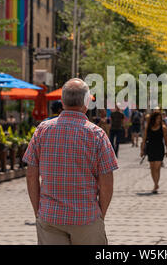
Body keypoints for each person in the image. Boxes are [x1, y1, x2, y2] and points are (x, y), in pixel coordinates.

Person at [23, 78, 118, 245]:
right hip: (86, 217)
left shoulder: (43, 130)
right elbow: (106, 182)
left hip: (50, 216)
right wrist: (100, 214)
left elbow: (31, 176)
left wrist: (38, 211)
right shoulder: (97, 134)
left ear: (62, 101)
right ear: (86, 101)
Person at [140, 111, 167, 194]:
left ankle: (156, 184)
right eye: (157, 118)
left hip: (159, 148)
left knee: (157, 167)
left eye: (160, 119)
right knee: (152, 167)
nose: (158, 120)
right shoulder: (148, 127)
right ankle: (155, 183)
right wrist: (142, 150)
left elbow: (166, 140)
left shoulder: (163, 127)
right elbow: (144, 139)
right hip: (151, 148)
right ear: (153, 119)